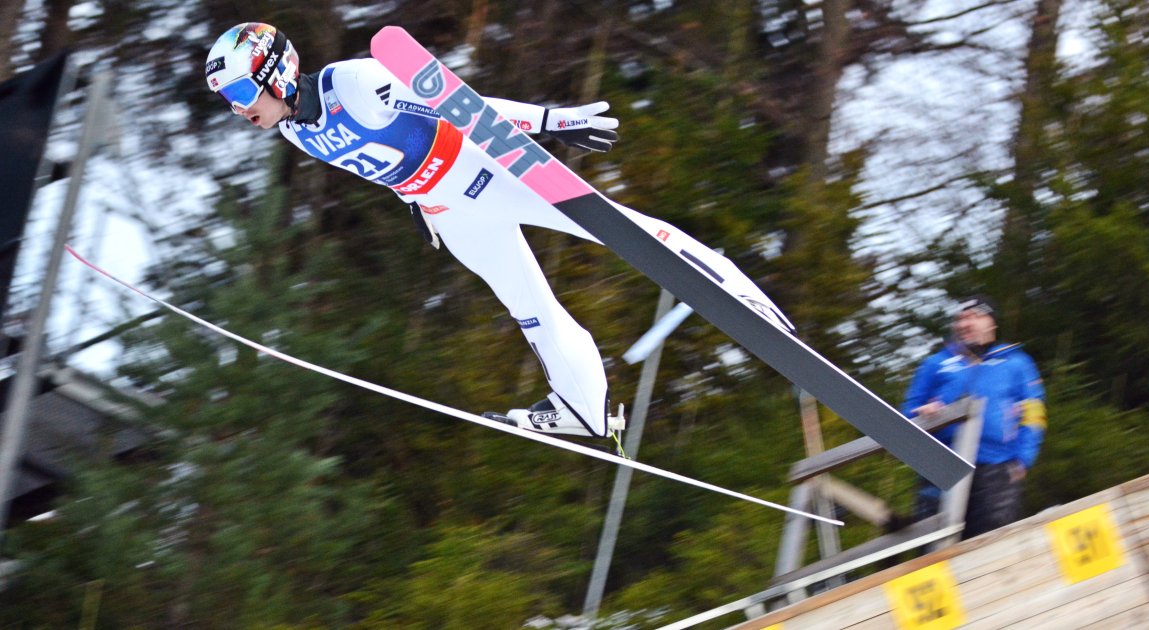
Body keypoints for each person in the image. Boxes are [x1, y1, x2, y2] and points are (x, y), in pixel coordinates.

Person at [204, 23, 792, 445]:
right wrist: (413, 199)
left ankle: (739, 292)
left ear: (275, 74)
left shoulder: (354, 83)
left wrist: (554, 122)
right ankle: (582, 409)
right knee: (531, 311)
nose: (238, 111)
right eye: (228, 102)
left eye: (238, 95)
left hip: (489, 168)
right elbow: (380, 158)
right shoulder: (293, 132)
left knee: (624, 231)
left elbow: (461, 106)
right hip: (448, 209)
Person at [901, 295, 1047, 539]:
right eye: (960, 319)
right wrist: (922, 415)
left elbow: (1034, 414)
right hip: (940, 469)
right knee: (934, 552)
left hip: (996, 471)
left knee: (993, 546)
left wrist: (1023, 460)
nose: (965, 324)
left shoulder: (1017, 362)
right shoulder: (935, 364)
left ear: (992, 323)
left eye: (975, 316)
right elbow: (906, 413)